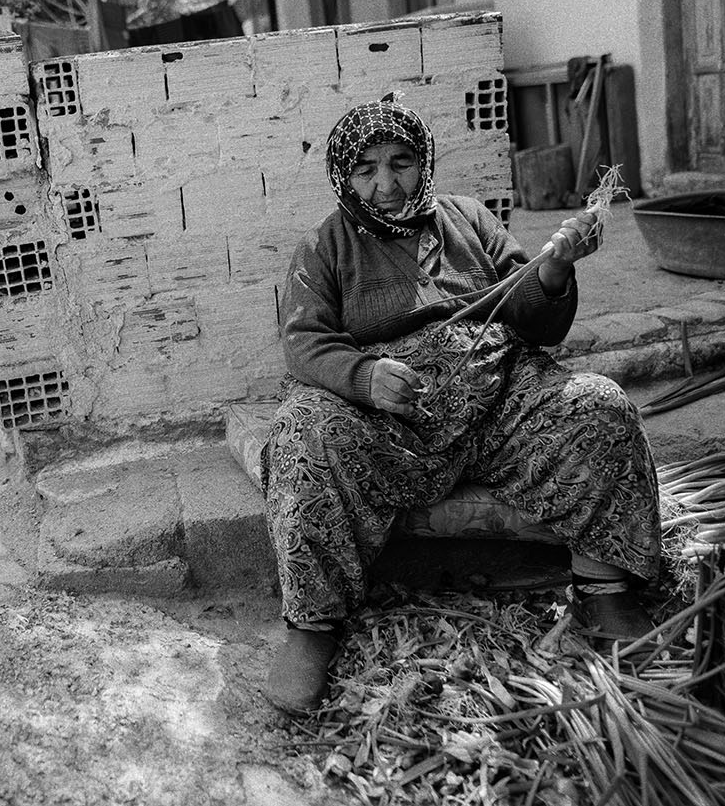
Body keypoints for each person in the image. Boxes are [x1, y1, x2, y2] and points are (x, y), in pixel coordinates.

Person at [262, 94, 661, 715]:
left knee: (598, 405)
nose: (386, 184)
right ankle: (312, 626)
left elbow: (531, 317)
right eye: (366, 169)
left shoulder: (468, 219)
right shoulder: (325, 246)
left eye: (400, 163)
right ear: (345, 175)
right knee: (303, 436)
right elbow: (304, 341)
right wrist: (365, 377)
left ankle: (604, 583)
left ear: (424, 162)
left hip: (497, 402)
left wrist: (554, 268)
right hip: (392, 423)